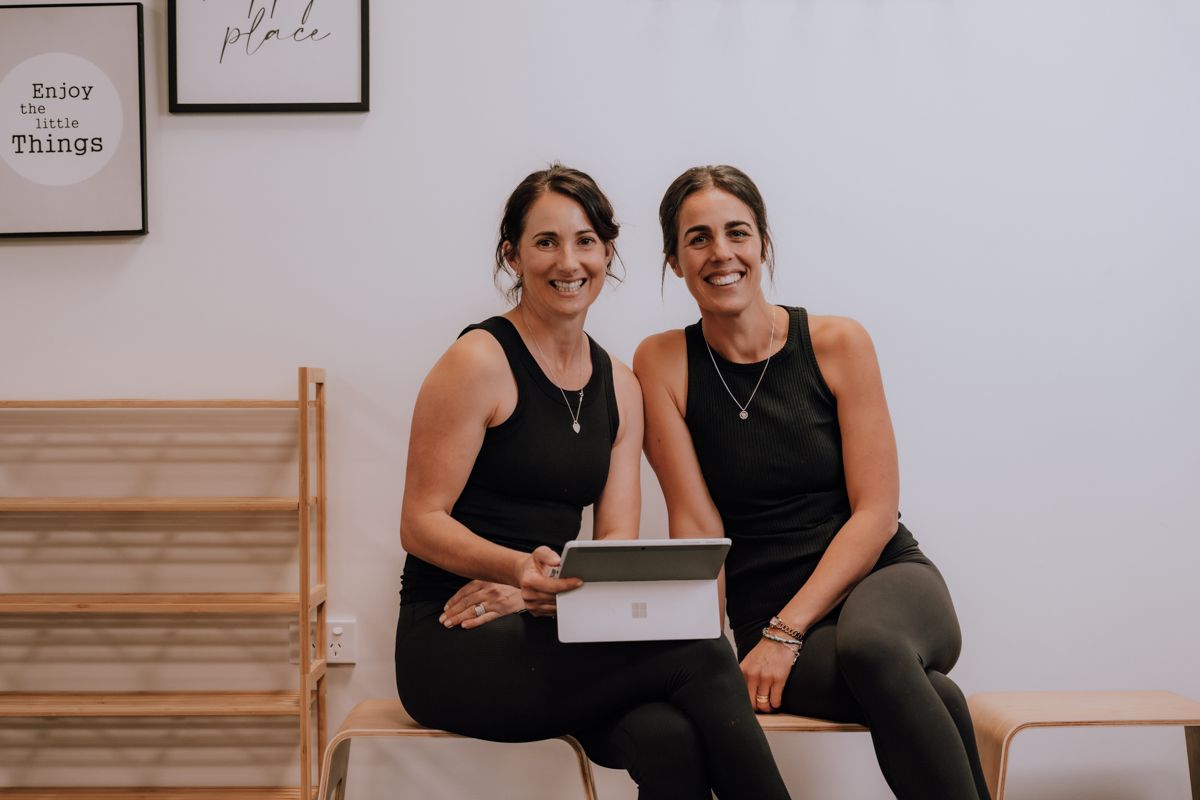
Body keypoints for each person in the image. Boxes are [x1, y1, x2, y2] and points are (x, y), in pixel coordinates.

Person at [395, 164, 791, 800]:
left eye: (584, 241)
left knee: (669, 737)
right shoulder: (478, 361)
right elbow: (420, 521)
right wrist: (515, 570)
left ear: (608, 251)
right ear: (513, 255)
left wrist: (540, 593)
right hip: (452, 635)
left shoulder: (620, 385)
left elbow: (613, 551)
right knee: (705, 652)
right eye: (545, 242)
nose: (568, 261)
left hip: (549, 624)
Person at [634, 165, 991, 800]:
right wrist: (709, 656)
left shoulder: (836, 342)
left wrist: (785, 632)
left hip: (883, 578)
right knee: (926, 693)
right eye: (698, 238)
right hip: (764, 610)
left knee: (877, 648)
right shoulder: (662, 362)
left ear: (763, 244)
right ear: (674, 260)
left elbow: (876, 512)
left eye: (737, 232)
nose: (721, 253)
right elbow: (697, 524)